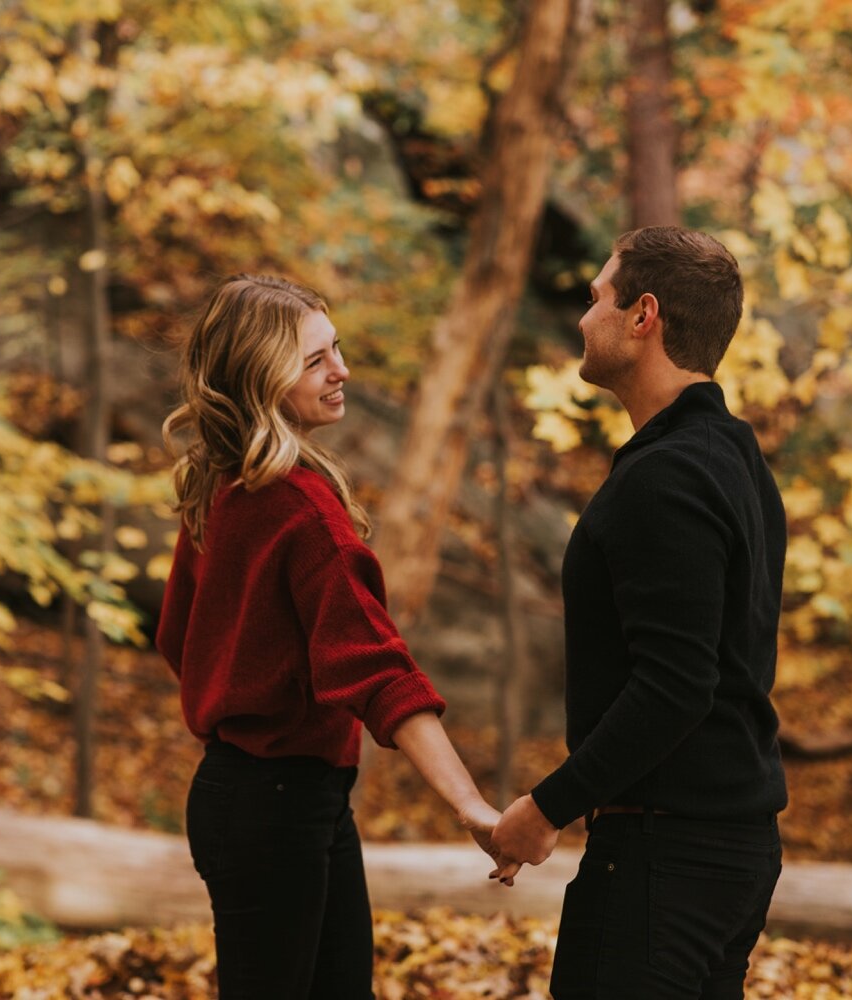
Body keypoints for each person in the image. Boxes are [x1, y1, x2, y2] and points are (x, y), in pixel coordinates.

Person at [156, 273, 503, 1000]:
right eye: (315, 360)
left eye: (336, 349)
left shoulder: (224, 483)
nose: (342, 370)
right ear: (261, 378)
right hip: (271, 807)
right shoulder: (297, 509)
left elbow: (179, 637)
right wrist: (471, 804)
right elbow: (378, 671)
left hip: (274, 795)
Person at [490, 227, 789, 999]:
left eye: (596, 298)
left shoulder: (669, 478)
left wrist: (545, 808)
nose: (583, 318)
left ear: (642, 315)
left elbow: (677, 683)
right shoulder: (736, 462)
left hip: (668, 855)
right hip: (719, 852)